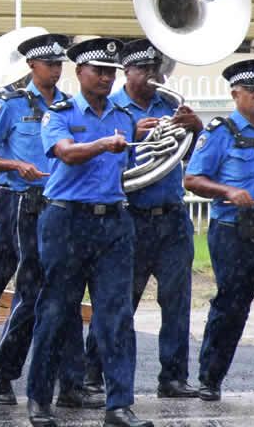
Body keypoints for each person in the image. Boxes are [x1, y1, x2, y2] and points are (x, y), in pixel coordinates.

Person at [26, 38, 148, 427]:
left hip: (112, 221)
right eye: (98, 71)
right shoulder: (59, 112)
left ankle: (119, 405)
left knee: (116, 314)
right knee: (56, 310)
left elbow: (129, 168)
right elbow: (66, 153)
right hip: (67, 221)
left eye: (111, 72)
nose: (105, 78)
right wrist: (100, 144)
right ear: (79, 72)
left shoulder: (123, 116)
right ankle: (40, 399)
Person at [83, 39, 202, 399]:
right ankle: (94, 374)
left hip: (172, 217)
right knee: (118, 301)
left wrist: (194, 129)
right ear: (128, 73)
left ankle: (174, 377)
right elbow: (99, 164)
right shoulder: (112, 110)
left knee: (177, 302)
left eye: (155, 70)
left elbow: (180, 156)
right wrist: (133, 139)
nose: (152, 76)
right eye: (143, 70)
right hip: (130, 215)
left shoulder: (169, 105)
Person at [0, 33, 86, 407]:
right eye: (49, 64)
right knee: (31, 289)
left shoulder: (71, 107)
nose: (55, 70)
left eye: (59, 64)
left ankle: (71, 382)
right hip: (21, 201)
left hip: (61, 202)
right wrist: (14, 165)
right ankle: (4, 373)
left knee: (67, 292)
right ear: (31, 66)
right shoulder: (11, 105)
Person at [185, 59, 254, 404]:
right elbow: (193, 179)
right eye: (253, 90)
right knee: (231, 306)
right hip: (234, 232)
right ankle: (210, 378)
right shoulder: (219, 132)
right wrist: (228, 192)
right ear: (236, 94)